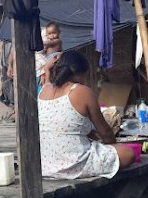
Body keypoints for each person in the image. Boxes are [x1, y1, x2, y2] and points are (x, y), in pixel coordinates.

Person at [37, 51, 135, 179]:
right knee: (128, 153)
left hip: (45, 165)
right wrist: (113, 146)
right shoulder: (81, 91)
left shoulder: (44, 90)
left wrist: (46, 68)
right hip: (73, 164)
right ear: (81, 73)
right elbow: (105, 131)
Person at [35, 22, 63, 92]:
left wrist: (39, 41)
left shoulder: (57, 41)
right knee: (50, 70)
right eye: (49, 34)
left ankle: (47, 81)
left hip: (53, 57)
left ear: (59, 33)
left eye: (54, 33)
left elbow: (47, 43)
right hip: (49, 58)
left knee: (46, 68)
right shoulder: (51, 41)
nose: (52, 36)